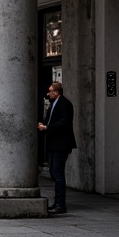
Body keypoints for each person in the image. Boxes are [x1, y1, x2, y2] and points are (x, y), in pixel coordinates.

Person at [38, 81, 76, 214]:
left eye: (50, 91)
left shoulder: (64, 104)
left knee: (57, 172)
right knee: (54, 172)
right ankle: (57, 202)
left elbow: (64, 122)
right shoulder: (54, 103)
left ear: (56, 92)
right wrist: (43, 125)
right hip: (53, 143)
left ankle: (60, 204)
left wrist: (47, 127)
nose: (48, 93)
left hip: (61, 143)